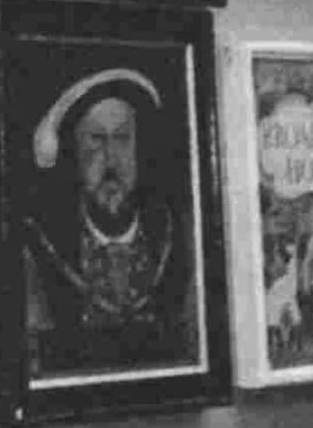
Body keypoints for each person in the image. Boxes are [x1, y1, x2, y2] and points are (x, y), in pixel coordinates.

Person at [22, 67, 191, 376]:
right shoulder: (41, 248)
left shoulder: (177, 238)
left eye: (123, 139)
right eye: (96, 140)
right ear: (73, 152)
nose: (112, 158)